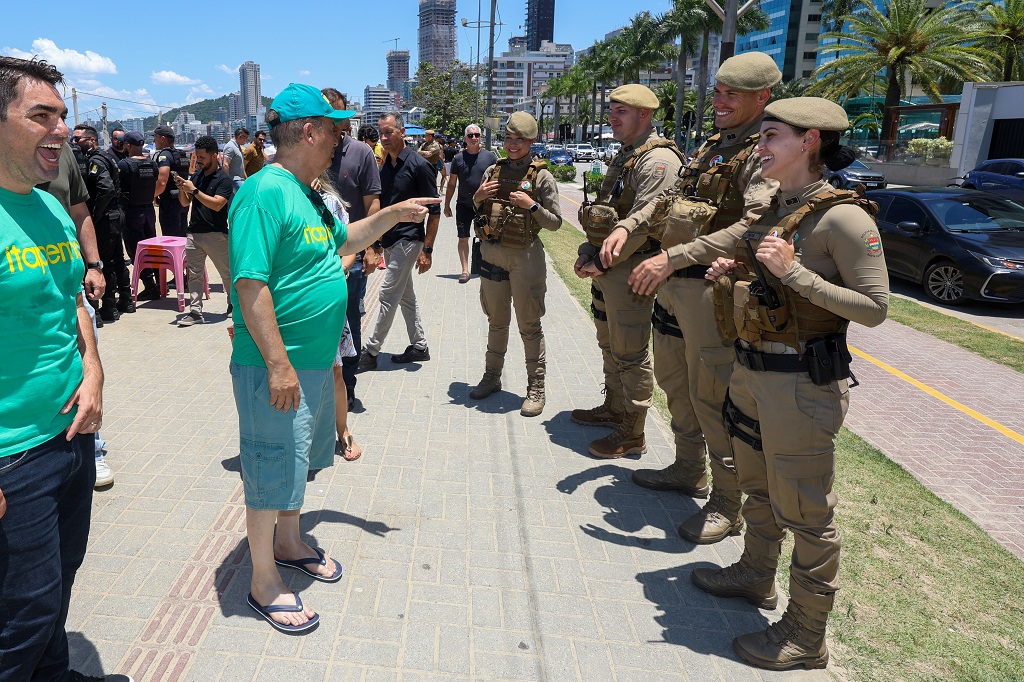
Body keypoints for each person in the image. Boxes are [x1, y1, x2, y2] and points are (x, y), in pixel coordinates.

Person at [631, 97, 888, 671]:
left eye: (772, 136)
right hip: (753, 368)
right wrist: (721, 264)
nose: (762, 146)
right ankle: (754, 574)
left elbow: (874, 308)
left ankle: (805, 635)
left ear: (810, 141)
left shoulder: (845, 217)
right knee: (757, 482)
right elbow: (739, 241)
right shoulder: (779, 202)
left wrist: (789, 271)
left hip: (801, 384)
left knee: (808, 510)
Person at [228, 82, 437, 633]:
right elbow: (249, 285)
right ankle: (262, 580)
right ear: (308, 131)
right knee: (270, 467)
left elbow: (344, 243)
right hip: (281, 365)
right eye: (334, 127)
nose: (342, 136)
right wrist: (277, 364)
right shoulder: (264, 192)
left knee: (298, 460)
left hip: (317, 362)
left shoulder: (308, 190)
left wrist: (392, 215)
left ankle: (291, 540)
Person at [601, 52, 781, 545]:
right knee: (674, 382)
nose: (719, 101)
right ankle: (687, 468)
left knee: (714, 395)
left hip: (712, 290)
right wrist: (628, 223)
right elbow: (667, 199)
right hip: (676, 284)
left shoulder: (763, 153)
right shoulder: (711, 146)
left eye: (732, 95)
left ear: (762, 98)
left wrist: (674, 257)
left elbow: (753, 225)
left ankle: (726, 502)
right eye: (718, 92)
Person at [0, 55, 133, 682]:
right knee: (20, 615)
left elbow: (74, 300)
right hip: (12, 455)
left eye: (63, 115)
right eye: (41, 115)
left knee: (57, 586)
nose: (60, 130)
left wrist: (95, 368)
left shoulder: (49, 208)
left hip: (71, 437)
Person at [571, 84, 684, 458]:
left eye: (621, 111)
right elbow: (608, 210)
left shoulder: (659, 161)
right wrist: (590, 250)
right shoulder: (628, 155)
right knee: (609, 341)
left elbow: (645, 224)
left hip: (633, 270)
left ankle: (633, 432)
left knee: (631, 350)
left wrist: (599, 261)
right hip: (610, 268)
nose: (612, 117)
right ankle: (615, 408)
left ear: (645, 115)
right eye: (612, 110)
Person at [469, 112, 562, 416]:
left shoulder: (542, 177)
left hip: (525, 258)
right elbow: (480, 209)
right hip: (493, 254)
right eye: (508, 138)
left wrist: (532, 206)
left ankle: (536, 387)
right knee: (496, 322)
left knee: (529, 325)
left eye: (519, 139)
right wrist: (477, 197)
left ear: (532, 141)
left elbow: (556, 223)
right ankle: (492, 377)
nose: (512, 144)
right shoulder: (494, 170)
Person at [357, 112, 441, 370]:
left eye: (389, 132)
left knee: (388, 294)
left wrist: (427, 248)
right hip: (391, 241)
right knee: (405, 296)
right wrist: (378, 242)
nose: (384, 138)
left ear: (402, 132)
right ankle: (419, 345)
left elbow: (435, 211)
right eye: (381, 133)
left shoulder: (419, 166)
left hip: (409, 240)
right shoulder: (384, 168)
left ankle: (370, 351)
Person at [323, 88, 382, 413]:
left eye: (339, 116)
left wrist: (372, 246)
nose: (335, 124)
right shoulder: (310, 152)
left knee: (350, 323)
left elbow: (372, 203)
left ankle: (347, 389)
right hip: (314, 260)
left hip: (352, 259)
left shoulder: (360, 153)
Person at [174, 135, 233, 326]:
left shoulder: (223, 179)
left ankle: (235, 306)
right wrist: (183, 188)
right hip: (194, 233)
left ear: (214, 156)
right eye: (197, 156)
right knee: (194, 274)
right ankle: (195, 311)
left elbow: (217, 205)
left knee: (227, 274)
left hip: (216, 233)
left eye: (202, 157)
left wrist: (195, 191)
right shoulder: (197, 176)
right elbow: (184, 203)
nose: (198, 160)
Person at [77, 125, 132, 324]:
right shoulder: (106, 157)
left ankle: (106, 308)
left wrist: (95, 214)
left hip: (107, 217)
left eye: (79, 140)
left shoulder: (96, 160)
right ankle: (125, 300)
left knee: (104, 262)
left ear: (91, 140)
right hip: (115, 214)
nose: (75, 144)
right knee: (117, 258)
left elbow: (106, 188)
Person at [445, 124, 497, 283]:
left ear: (480, 137)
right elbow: (452, 183)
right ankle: (465, 270)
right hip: (464, 205)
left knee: (487, 237)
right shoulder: (458, 159)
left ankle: (488, 268)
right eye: (470, 135)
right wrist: (447, 204)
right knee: (463, 237)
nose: (474, 138)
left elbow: (496, 181)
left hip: (485, 205)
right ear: (465, 138)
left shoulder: (490, 157)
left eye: (477, 135)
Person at [118, 131, 160, 299]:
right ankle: (158, 283)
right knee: (151, 249)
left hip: (131, 212)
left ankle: (150, 286)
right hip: (148, 211)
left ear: (128, 145)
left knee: (136, 251)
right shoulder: (152, 164)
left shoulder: (124, 165)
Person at [152, 125, 189, 238]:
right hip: (183, 200)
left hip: (169, 203)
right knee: (182, 237)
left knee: (171, 239)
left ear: (163, 139)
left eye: (155, 137)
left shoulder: (164, 155)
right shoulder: (181, 154)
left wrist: (152, 196)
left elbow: (162, 182)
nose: (153, 140)